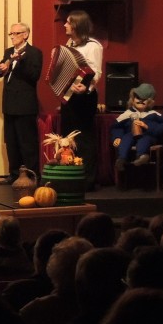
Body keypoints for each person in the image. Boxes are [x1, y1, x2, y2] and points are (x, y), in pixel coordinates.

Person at [0, 22, 43, 183]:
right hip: (9, 104)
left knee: (27, 143)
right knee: (12, 142)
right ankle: (14, 174)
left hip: (25, 105)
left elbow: (34, 75)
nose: (12, 37)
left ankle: (31, 174)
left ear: (25, 35)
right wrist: (0, 69)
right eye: (11, 34)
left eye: (16, 33)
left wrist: (20, 61)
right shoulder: (9, 52)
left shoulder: (34, 53)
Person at [60, 10, 103, 190]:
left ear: (77, 25)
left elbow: (96, 71)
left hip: (85, 97)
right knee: (69, 137)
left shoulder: (93, 46)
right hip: (70, 97)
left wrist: (87, 87)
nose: (65, 25)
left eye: (68, 22)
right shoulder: (69, 44)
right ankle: (72, 176)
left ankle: (87, 181)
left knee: (84, 137)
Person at [110, 82, 163, 171]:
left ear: (150, 102)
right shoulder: (127, 113)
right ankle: (121, 159)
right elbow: (117, 127)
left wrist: (147, 126)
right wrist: (117, 137)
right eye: (138, 98)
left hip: (148, 135)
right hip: (130, 135)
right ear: (133, 99)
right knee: (126, 138)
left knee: (144, 139)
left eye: (144, 99)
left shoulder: (153, 114)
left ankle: (142, 156)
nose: (140, 101)